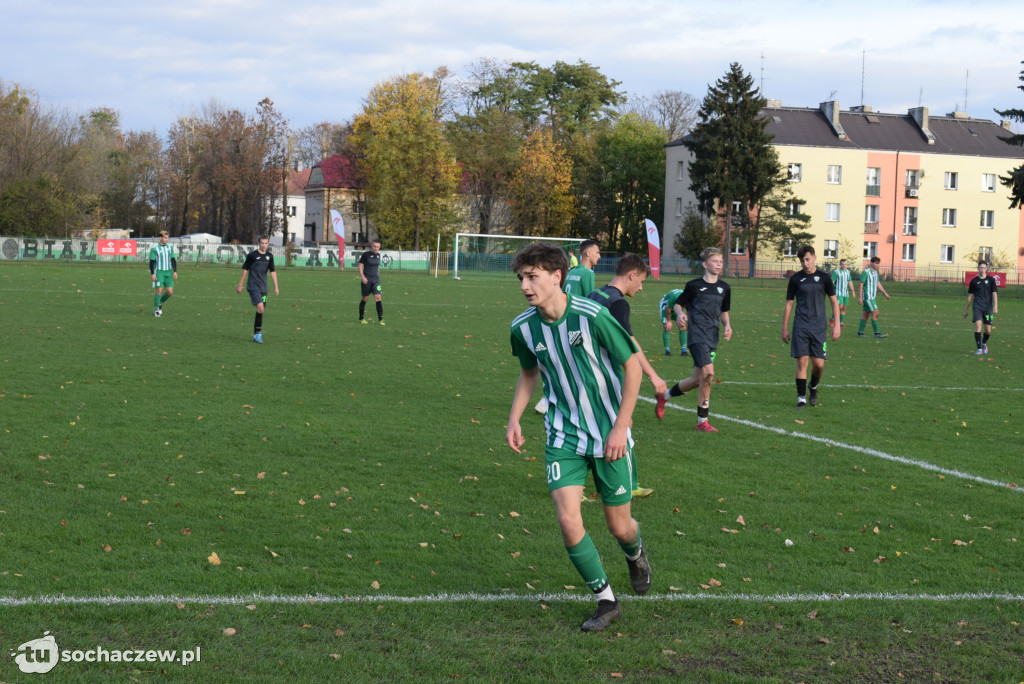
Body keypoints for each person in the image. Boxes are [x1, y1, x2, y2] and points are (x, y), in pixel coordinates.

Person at [506, 242, 651, 633]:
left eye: (532, 277)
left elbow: (632, 366)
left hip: (609, 434)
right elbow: (529, 373)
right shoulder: (522, 327)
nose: (525, 286)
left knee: (620, 527)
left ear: (557, 277)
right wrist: (514, 419)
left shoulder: (593, 315)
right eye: (522, 278)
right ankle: (605, 600)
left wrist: (621, 425)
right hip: (563, 434)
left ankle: (635, 553)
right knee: (568, 520)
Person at [589, 253, 667, 497]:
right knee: (619, 426)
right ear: (632, 275)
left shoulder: (597, 292)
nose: (641, 287)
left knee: (618, 425)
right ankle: (620, 486)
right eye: (641, 281)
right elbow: (630, 344)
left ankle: (629, 484)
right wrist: (654, 376)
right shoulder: (618, 303)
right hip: (606, 371)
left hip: (590, 367)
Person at [656, 247, 732, 431]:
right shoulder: (694, 286)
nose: (719, 264)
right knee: (709, 374)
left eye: (720, 261)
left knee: (698, 379)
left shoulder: (724, 288)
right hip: (696, 335)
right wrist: (681, 314)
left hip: (712, 336)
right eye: (715, 261)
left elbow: (724, 311)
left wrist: (727, 325)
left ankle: (664, 396)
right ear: (705, 264)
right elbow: (678, 305)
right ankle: (702, 422)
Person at [534, 243, 599, 415]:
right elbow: (590, 300)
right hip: (578, 322)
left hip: (563, 318)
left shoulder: (573, 271)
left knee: (565, 359)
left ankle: (555, 399)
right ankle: (549, 400)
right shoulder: (587, 273)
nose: (599, 256)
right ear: (588, 253)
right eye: (597, 252)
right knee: (579, 362)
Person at [781, 245, 841, 409]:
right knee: (802, 361)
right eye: (802, 261)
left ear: (814, 257)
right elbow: (789, 304)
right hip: (800, 326)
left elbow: (834, 302)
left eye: (807, 259)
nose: (805, 263)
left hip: (819, 328)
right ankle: (801, 399)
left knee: (819, 365)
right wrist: (784, 328)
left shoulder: (824, 277)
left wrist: (837, 325)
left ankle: (813, 386)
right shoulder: (795, 279)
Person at [236, 235, 279, 343]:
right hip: (253, 286)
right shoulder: (252, 255)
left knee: (260, 311)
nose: (264, 245)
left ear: (268, 244)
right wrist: (240, 284)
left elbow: (272, 271)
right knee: (260, 308)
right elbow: (245, 269)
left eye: (266, 243)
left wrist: (276, 287)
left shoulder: (270, 256)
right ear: (258, 243)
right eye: (262, 243)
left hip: (263, 287)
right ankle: (258, 334)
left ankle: (256, 334)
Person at [964, 260, 999, 355]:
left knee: (988, 331)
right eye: (980, 268)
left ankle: (983, 343)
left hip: (988, 308)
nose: (982, 269)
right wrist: (966, 309)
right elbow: (970, 296)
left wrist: (995, 306)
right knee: (978, 326)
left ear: (986, 268)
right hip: (977, 307)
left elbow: (994, 293)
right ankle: (979, 349)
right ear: (978, 268)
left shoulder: (991, 280)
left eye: (984, 268)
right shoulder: (974, 281)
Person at [857, 256, 891, 338]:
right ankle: (877, 333)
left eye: (878, 263)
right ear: (871, 263)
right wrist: (860, 297)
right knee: (876, 312)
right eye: (876, 263)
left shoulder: (875, 273)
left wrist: (885, 293)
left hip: (872, 297)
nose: (877, 265)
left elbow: (877, 284)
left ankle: (860, 333)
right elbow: (861, 285)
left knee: (866, 314)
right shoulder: (866, 272)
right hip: (868, 297)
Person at [149, 230, 177, 317]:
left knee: (170, 292)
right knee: (159, 291)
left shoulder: (170, 248)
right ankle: (156, 309)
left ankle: (160, 303)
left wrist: (175, 271)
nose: (166, 239)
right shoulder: (154, 248)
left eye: (167, 238)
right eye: (165, 238)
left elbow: (173, 260)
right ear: (160, 238)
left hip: (168, 272)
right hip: (159, 272)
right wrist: (153, 273)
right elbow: (151, 261)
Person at [358, 240, 385, 325]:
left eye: (377, 247)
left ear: (379, 247)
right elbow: (360, 265)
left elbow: (376, 267)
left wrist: (378, 275)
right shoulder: (366, 255)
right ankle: (361, 318)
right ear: (371, 246)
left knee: (378, 297)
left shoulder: (378, 255)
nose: (376, 248)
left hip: (376, 280)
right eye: (374, 246)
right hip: (367, 280)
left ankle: (381, 320)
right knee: (365, 298)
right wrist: (363, 277)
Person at [659, 289, 689, 356]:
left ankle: (684, 351)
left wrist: (689, 324)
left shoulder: (689, 298)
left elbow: (688, 310)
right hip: (665, 306)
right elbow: (668, 308)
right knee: (667, 327)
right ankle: (667, 351)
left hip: (677, 309)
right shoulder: (675, 297)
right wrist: (669, 321)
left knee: (683, 325)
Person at [829, 259, 855, 327]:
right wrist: (830, 291)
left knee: (844, 308)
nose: (844, 265)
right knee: (839, 307)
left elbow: (850, 282)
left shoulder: (848, 272)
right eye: (842, 264)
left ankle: (841, 322)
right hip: (838, 292)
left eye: (845, 264)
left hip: (845, 293)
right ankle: (832, 319)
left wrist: (853, 291)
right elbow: (832, 282)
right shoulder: (836, 272)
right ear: (840, 265)